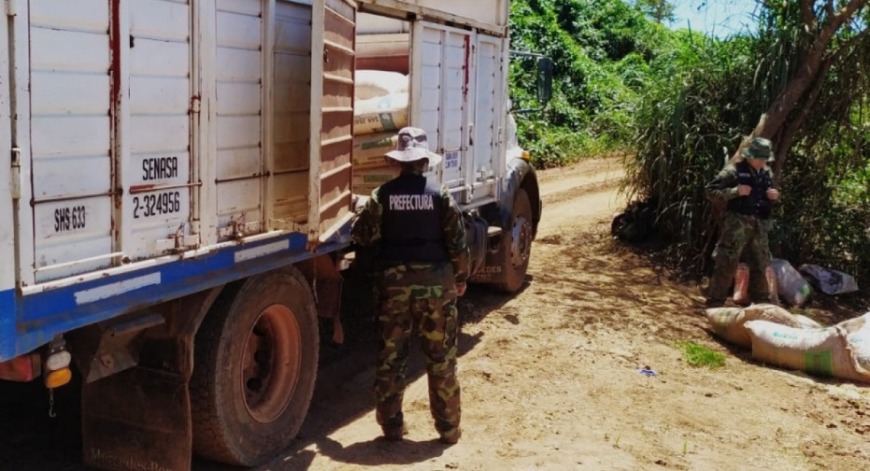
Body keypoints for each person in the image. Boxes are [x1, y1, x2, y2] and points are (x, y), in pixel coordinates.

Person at [350, 126, 469, 444]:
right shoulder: (440, 195)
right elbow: (458, 244)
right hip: (436, 289)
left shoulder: (381, 196)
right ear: (424, 162)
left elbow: (363, 236)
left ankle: (391, 427)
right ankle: (448, 430)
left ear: (398, 162)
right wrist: (460, 279)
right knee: (441, 359)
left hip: (394, 290)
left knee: (392, 357)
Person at [704, 137, 780, 307]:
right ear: (750, 156)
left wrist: (774, 196)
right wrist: (735, 191)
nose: (762, 162)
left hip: (760, 225)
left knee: (761, 264)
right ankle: (715, 301)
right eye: (759, 158)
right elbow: (710, 191)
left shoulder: (766, 172)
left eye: (765, 159)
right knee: (727, 261)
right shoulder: (733, 171)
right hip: (737, 224)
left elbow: (767, 195)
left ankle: (761, 302)